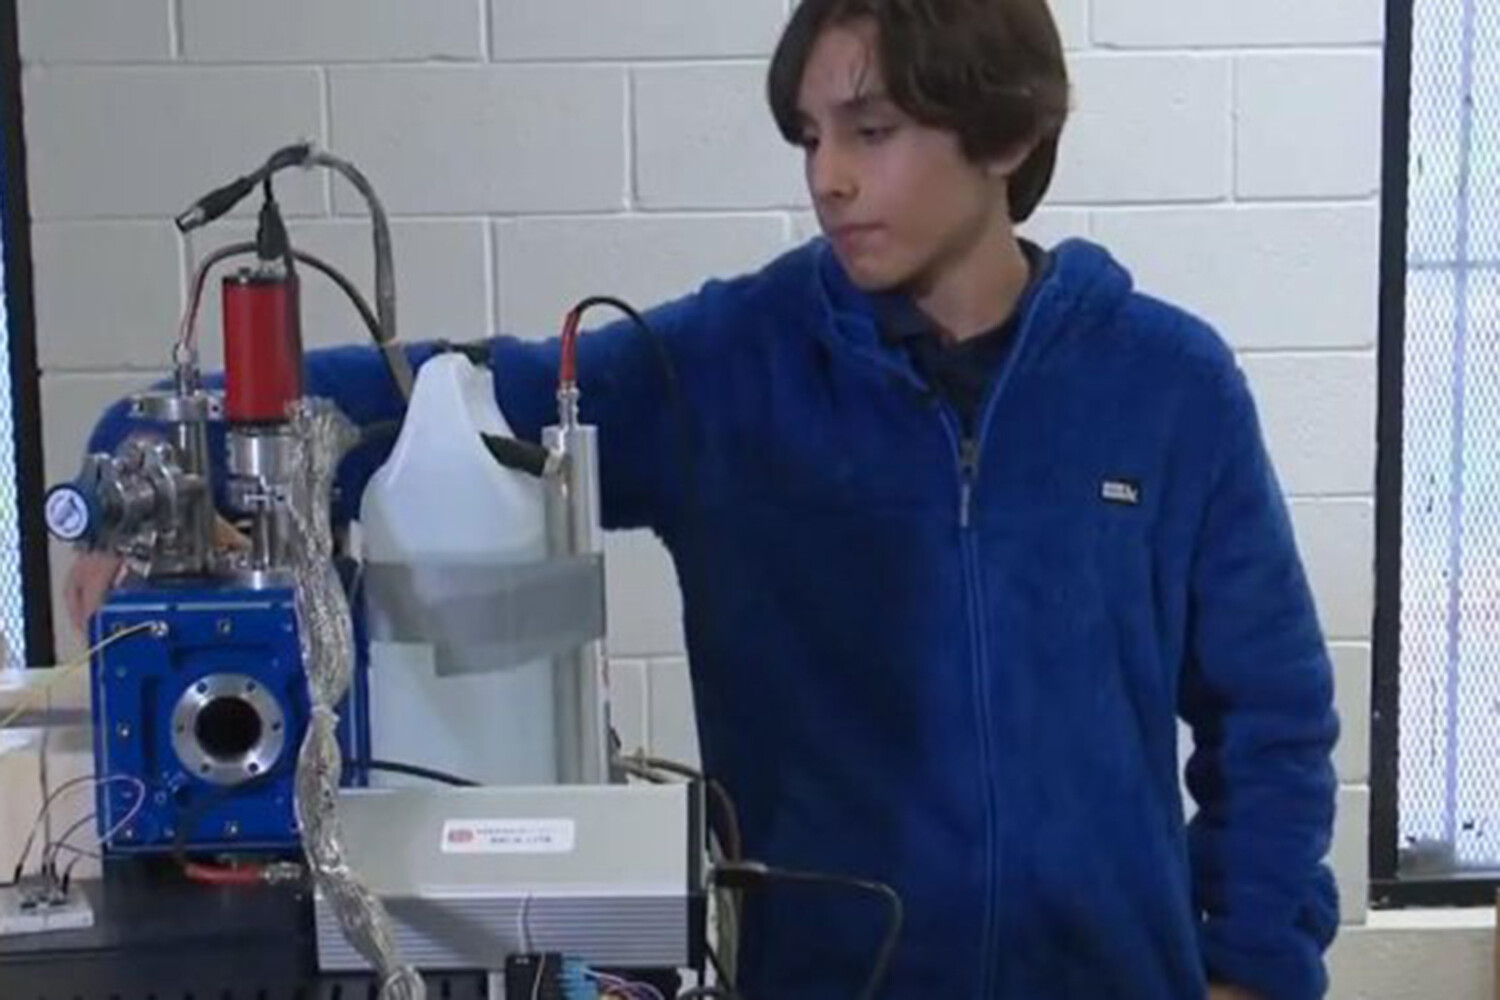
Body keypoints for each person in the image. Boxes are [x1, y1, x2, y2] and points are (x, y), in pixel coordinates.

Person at [69, 0, 1340, 996]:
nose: (829, 177)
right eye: (810, 137)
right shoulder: (732, 369)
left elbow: (1271, 715)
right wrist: (150, 457)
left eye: (871, 131)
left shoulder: (1167, 387)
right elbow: (455, 395)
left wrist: (1256, 970)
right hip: (835, 979)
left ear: (1007, 134)